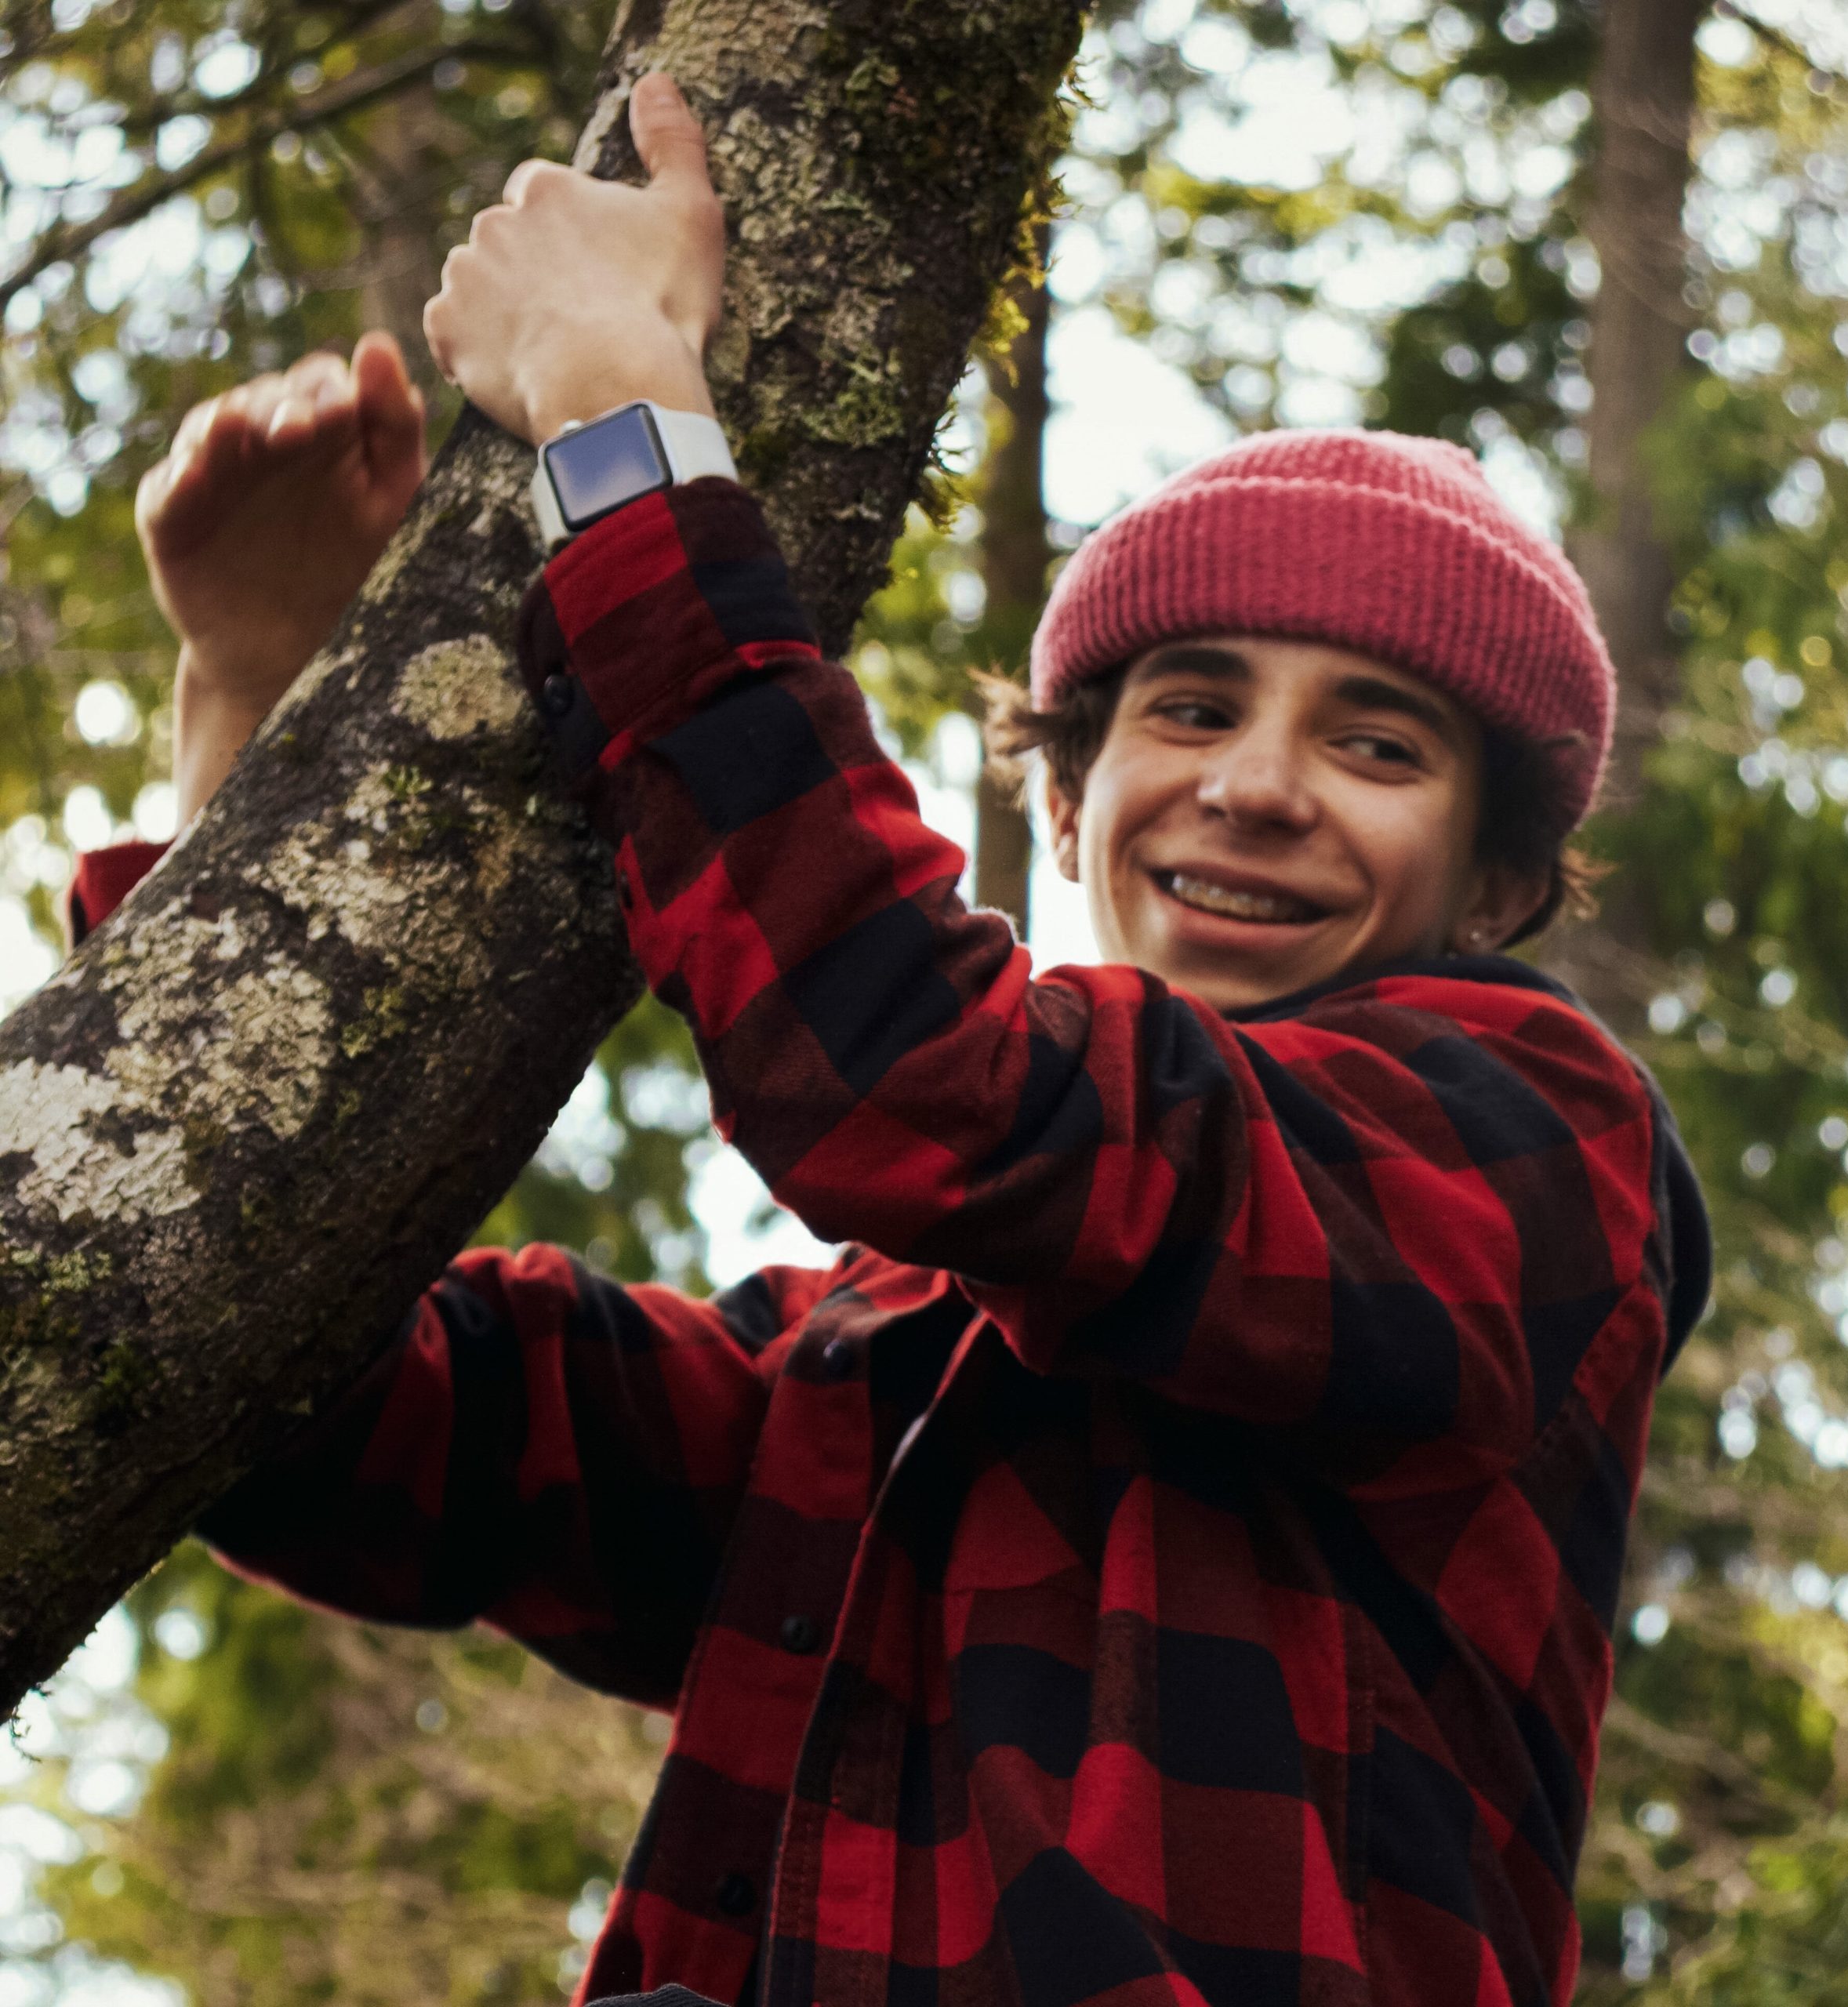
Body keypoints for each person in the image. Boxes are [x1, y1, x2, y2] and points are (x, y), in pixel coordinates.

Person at [71, 72, 1711, 2007]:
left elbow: (930, 1082)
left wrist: (628, 433)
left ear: (1498, 877)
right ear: (1080, 784)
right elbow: (330, 1422)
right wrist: (252, 734)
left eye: (1375, 744)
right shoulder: (890, 1351)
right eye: (1188, 709)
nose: (1257, 789)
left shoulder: (1530, 1141)